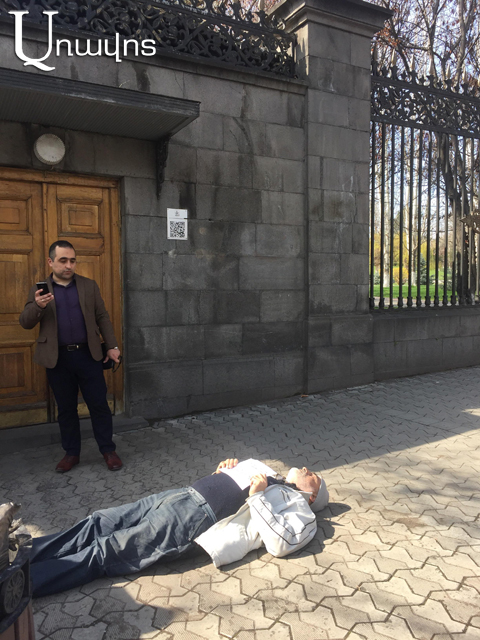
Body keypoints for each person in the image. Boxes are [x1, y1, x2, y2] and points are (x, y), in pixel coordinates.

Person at [29, 458, 329, 597]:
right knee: (98, 521)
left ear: (313, 495)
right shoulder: (273, 475)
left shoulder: (302, 511)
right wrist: (225, 472)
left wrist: (258, 496)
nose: (306, 468)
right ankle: (24, 555)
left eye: (312, 475)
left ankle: (22, 584)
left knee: (108, 550)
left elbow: (283, 543)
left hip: (194, 519)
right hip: (181, 494)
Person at [19, 240, 123, 473]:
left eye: (72, 261)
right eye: (63, 260)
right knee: (66, 409)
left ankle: (108, 450)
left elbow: (102, 316)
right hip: (58, 359)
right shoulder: (40, 290)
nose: (68, 265)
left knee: (99, 405)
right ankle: (71, 453)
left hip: (88, 355)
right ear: (51, 262)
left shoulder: (88, 285)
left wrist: (112, 346)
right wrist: (38, 306)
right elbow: (25, 322)